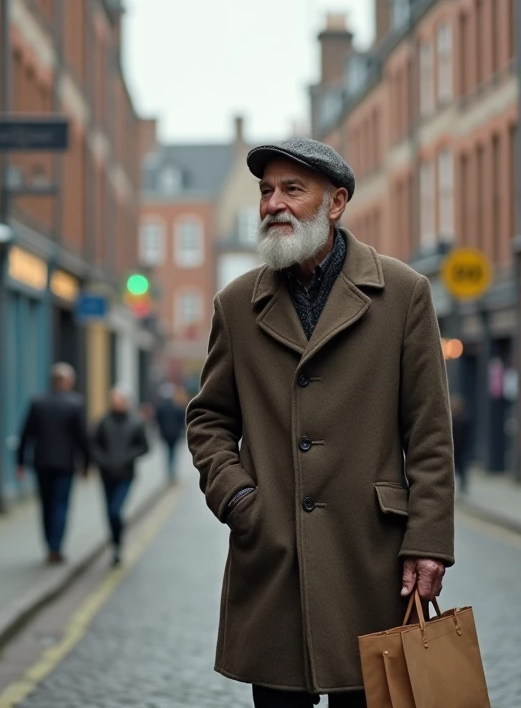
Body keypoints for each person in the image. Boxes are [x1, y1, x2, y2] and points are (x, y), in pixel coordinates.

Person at [185, 138, 455, 707]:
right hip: (273, 558)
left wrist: (428, 543)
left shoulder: (403, 293)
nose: (272, 204)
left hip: (371, 560)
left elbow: (429, 434)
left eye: (291, 189)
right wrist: (238, 500)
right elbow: (208, 418)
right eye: (265, 191)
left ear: (335, 204)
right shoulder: (236, 305)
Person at [17, 362, 89, 565]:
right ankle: (56, 548)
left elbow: (26, 435)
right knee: (61, 506)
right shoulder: (75, 403)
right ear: (68, 381)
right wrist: (86, 463)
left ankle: (49, 544)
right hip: (65, 464)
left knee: (46, 505)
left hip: (41, 463)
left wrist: (20, 462)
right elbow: (82, 437)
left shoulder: (37, 402)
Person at [91, 386, 150, 566]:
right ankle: (115, 545)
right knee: (109, 512)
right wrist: (101, 460)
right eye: (113, 400)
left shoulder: (136, 422)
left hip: (126, 474)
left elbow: (145, 447)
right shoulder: (103, 421)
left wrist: (128, 456)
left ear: (125, 402)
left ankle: (118, 544)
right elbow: (94, 444)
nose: (116, 403)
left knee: (116, 510)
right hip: (106, 474)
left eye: (119, 400)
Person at [152, 382, 187, 482]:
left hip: (166, 434)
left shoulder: (161, 408)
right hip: (174, 435)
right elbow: (182, 420)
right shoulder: (177, 407)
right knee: (173, 453)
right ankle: (172, 472)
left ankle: (170, 472)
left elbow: (157, 421)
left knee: (168, 453)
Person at [451, 394, 472, 495]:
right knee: (454, 468)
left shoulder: (464, 419)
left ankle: (462, 486)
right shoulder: (452, 418)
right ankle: (454, 486)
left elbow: (467, 434)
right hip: (454, 448)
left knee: (462, 468)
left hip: (461, 448)